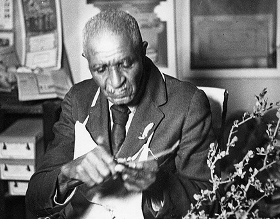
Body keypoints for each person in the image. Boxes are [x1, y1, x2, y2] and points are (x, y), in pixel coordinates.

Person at [26, 9, 216, 219]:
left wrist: (159, 185)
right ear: (87, 61)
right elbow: (35, 197)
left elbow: (210, 200)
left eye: (126, 64)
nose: (116, 82)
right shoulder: (78, 99)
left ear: (143, 52)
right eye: (100, 69)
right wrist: (68, 174)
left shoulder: (187, 103)